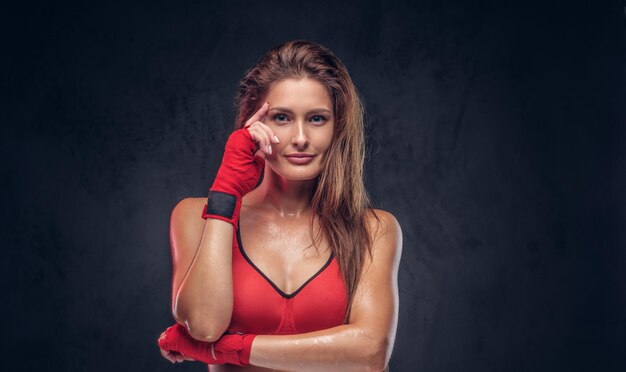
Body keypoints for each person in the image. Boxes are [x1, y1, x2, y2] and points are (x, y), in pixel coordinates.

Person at [157, 40, 402, 371]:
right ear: (253, 122)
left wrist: (227, 349)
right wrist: (227, 188)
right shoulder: (193, 216)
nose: (300, 137)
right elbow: (203, 325)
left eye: (317, 119)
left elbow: (370, 350)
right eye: (282, 117)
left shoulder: (373, 229)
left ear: (337, 127)